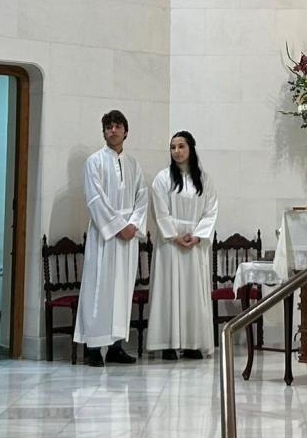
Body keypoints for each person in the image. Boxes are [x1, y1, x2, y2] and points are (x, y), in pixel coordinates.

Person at [74, 110, 148, 367]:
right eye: (108, 127)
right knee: (99, 289)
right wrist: (118, 226)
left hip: (128, 239)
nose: (113, 130)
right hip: (104, 237)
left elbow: (142, 198)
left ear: (126, 131)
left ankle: (116, 346)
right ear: (104, 132)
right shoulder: (94, 162)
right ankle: (94, 348)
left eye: (117, 126)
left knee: (122, 291)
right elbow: (95, 199)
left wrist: (133, 225)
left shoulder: (133, 165)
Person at [146, 131, 217, 360]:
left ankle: (192, 343)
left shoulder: (204, 180)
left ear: (191, 148)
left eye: (181, 146)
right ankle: (168, 343)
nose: (176, 151)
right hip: (170, 244)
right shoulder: (162, 178)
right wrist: (175, 236)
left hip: (194, 244)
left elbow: (211, 211)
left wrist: (198, 236)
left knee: (192, 293)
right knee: (168, 290)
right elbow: (159, 211)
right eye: (173, 147)